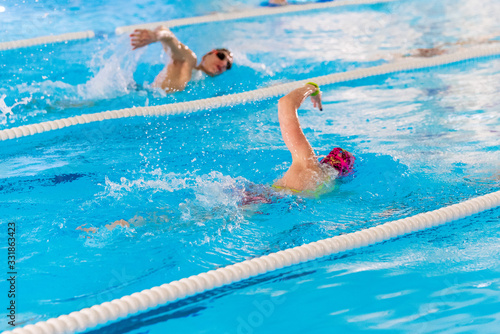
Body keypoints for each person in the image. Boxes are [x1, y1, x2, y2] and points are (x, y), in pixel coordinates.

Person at [251, 82, 355, 199]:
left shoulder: (309, 166)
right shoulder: (327, 189)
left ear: (325, 161)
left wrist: (312, 88)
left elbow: (286, 103)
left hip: (257, 200)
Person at [130, 26, 233, 93]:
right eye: (221, 56)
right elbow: (169, 36)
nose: (224, 63)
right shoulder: (188, 60)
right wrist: (156, 36)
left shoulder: (211, 88)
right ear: (208, 54)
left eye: (228, 65)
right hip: (144, 97)